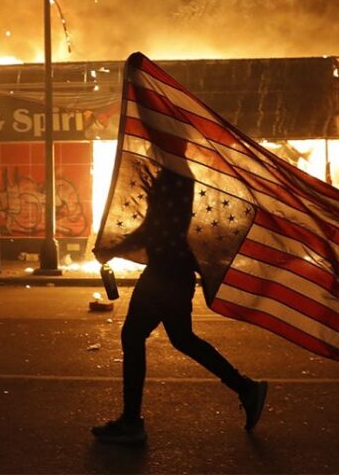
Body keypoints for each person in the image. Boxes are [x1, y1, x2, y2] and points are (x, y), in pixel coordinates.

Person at [91, 167, 268, 445]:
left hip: (165, 273)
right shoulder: (175, 173)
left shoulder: (173, 175)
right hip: (174, 271)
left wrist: (114, 249)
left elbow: (154, 228)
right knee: (182, 339)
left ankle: (131, 422)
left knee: (134, 336)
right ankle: (245, 388)